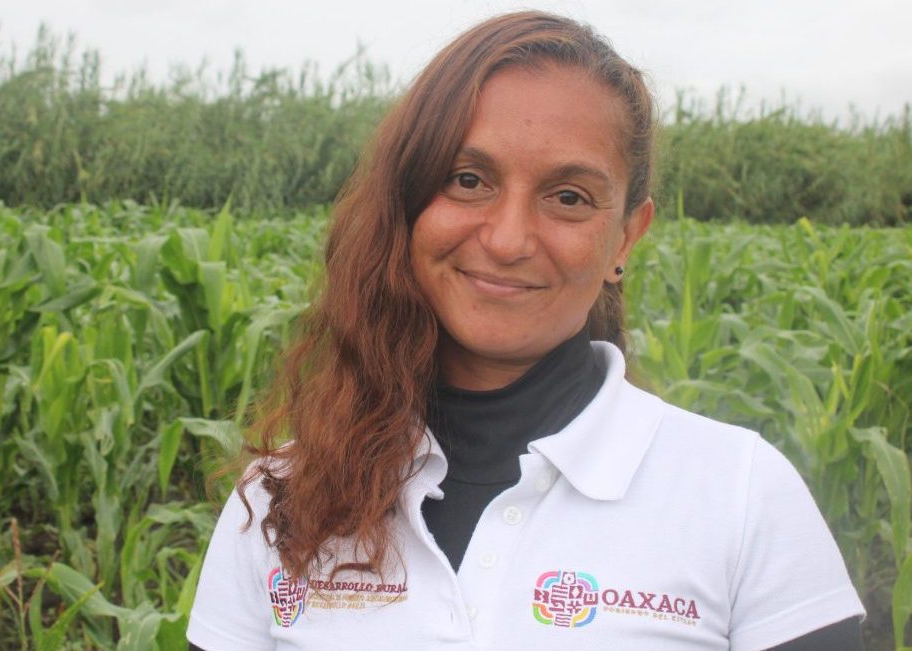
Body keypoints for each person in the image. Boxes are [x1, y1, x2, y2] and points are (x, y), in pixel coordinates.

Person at [186, 11, 865, 651]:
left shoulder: (741, 496)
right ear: (409, 202)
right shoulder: (281, 501)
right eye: (468, 179)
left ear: (626, 236)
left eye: (568, 197)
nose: (509, 239)